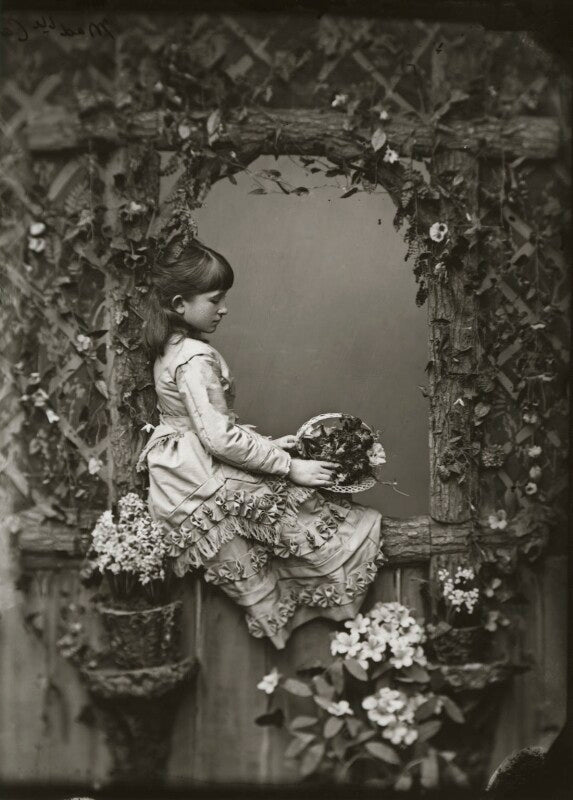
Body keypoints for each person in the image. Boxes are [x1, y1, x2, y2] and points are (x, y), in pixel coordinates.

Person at [136, 231, 385, 649]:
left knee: (280, 526)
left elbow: (204, 426)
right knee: (317, 518)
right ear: (180, 305)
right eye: (215, 300)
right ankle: (331, 613)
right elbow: (217, 437)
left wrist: (268, 446)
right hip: (200, 471)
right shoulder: (194, 357)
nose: (223, 309)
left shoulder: (171, 349)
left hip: (181, 468)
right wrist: (290, 465)